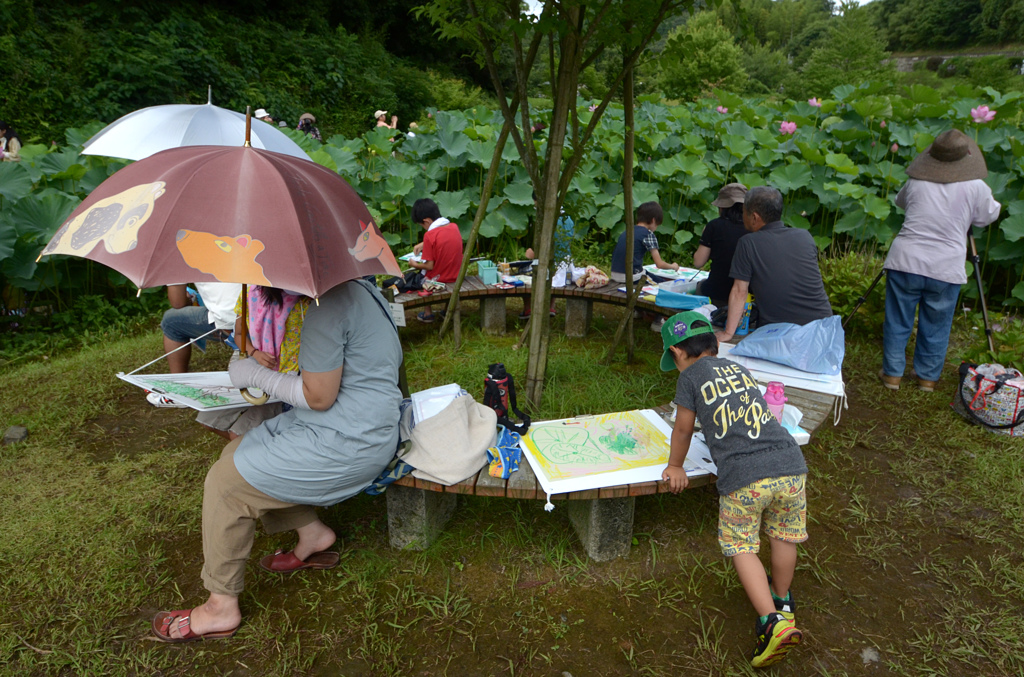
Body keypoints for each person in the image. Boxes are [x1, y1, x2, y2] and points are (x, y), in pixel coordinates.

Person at [151, 278, 402, 643]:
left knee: (226, 485)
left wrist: (255, 374)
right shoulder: (359, 288)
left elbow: (318, 397)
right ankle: (313, 533)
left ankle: (220, 606)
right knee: (237, 452)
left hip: (349, 439)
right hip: (361, 422)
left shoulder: (324, 308)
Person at [659, 311, 807, 668]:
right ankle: (783, 602)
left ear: (678, 353)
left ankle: (771, 624)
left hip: (745, 477)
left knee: (741, 544)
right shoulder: (738, 370)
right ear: (714, 344)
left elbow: (682, 430)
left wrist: (675, 465)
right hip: (790, 465)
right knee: (784, 536)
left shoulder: (690, 377)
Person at [880, 129, 1001, 392]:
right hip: (945, 267)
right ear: (965, 158)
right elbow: (987, 216)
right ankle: (927, 379)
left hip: (905, 260)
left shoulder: (916, 180)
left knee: (898, 319)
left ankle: (892, 375)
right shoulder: (977, 186)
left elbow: (902, 203)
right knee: (936, 326)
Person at [716, 186, 832, 342]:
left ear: (754, 217)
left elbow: (739, 291)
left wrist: (728, 333)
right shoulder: (805, 236)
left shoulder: (748, 243)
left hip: (781, 334)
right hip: (824, 329)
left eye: (744, 211)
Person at [197, 286, 311, 439]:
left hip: (287, 380)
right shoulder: (249, 294)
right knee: (207, 419)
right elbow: (238, 334)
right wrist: (254, 353)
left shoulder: (306, 301)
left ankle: (254, 448)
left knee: (237, 435)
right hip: (256, 372)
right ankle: (252, 447)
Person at [149, 282, 242, 406]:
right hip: (264, 314)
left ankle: (178, 391)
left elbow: (178, 303)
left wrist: (188, 298)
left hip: (232, 325)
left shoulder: (177, 261)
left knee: (170, 321)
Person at [408, 198, 463, 323]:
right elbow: (442, 237)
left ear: (426, 221)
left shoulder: (429, 236)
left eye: (422, 225)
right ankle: (446, 309)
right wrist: (423, 244)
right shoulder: (454, 227)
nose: (423, 228)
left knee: (421, 276)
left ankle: (428, 313)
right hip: (456, 274)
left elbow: (429, 266)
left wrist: (415, 264)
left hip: (439, 278)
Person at [693, 183, 748, 308]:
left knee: (700, 285)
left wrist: (705, 237)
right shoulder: (754, 228)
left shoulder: (714, 226)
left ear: (722, 207)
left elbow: (698, 262)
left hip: (716, 293)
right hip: (747, 295)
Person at [521, 192, 575, 319]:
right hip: (566, 266)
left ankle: (528, 308)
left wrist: (534, 255)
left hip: (551, 265)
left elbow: (550, 251)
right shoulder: (568, 219)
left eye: (537, 206)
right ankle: (551, 305)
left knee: (523, 272)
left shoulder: (549, 222)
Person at [610, 201, 679, 283]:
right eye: (657, 225)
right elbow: (659, 264)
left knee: (649, 274)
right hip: (631, 277)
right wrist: (673, 266)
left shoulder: (627, 231)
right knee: (664, 284)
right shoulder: (648, 234)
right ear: (653, 220)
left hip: (614, 275)